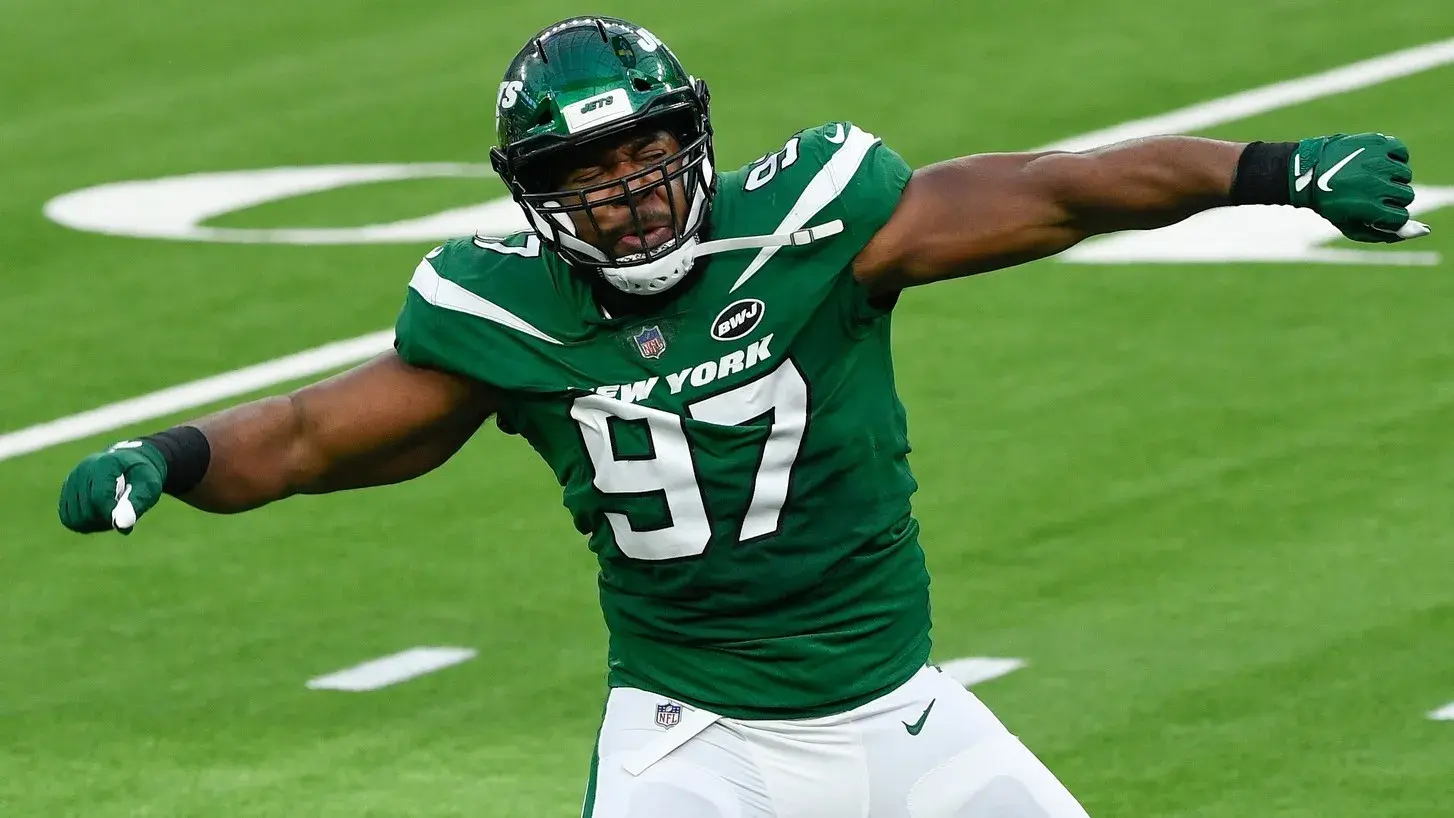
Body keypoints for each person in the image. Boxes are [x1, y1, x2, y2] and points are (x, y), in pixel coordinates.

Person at [57, 15, 1427, 818]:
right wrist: (167, 455)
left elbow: (1055, 188)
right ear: (540, 196)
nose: (631, 192)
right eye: (589, 171)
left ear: (693, 144)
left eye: (648, 153)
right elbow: (309, 435)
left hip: (902, 714)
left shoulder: (811, 228)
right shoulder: (511, 321)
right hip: (695, 747)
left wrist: (1270, 166)